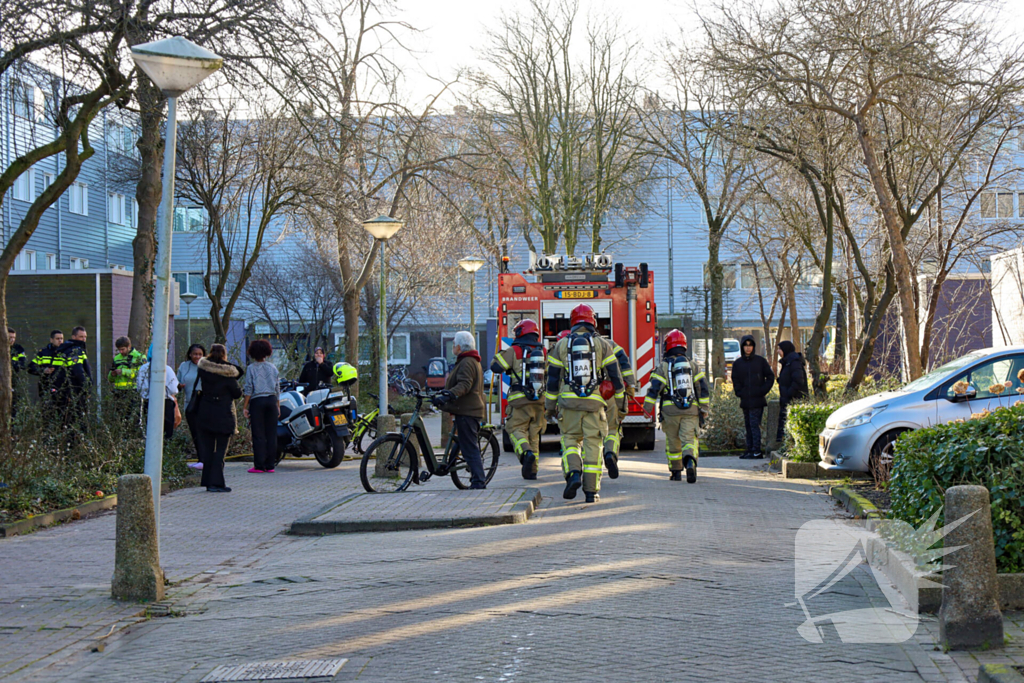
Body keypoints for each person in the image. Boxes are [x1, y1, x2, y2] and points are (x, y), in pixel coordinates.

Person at [545, 304, 624, 504]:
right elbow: (616, 377)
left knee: (570, 441)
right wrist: (621, 404)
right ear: (593, 321)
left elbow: (553, 380)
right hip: (594, 405)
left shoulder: (560, 345)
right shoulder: (603, 344)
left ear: (572, 322)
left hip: (568, 404)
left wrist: (549, 407)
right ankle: (591, 492)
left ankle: (572, 473)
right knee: (594, 445)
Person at [644, 330, 709, 482]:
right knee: (689, 440)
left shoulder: (663, 366)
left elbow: (654, 388)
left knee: (673, 441)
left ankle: (676, 472)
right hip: (691, 410)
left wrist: (647, 409)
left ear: (667, 346)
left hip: (670, 411)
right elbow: (703, 388)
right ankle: (690, 461)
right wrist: (704, 409)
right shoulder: (693, 366)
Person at [490, 319, 546, 480]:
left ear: (520, 332)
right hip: (539, 400)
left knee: (515, 429)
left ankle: (525, 453)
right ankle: (532, 471)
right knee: (534, 435)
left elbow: (496, 367)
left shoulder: (514, 350)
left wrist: (501, 354)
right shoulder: (544, 351)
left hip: (520, 400)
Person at [432, 331, 487, 489]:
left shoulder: (467, 362)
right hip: (464, 409)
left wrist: (449, 395)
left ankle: (478, 482)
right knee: (464, 442)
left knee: (470, 448)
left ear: (460, 346)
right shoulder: (466, 360)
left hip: (468, 411)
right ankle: (450, 465)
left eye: (454, 343)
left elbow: (464, 384)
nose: (453, 346)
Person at [195, 344, 243, 492]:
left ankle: (208, 482)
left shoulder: (203, 370)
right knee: (220, 449)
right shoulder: (228, 374)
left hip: (205, 413)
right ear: (224, 355)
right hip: (223, 415)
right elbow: (237, 393)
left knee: (208, 449)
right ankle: (217, 483)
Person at [731, 335, 775, 459]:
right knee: (748, 425)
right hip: (745, 399)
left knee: (755, 425)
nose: (748, 348)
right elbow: (735, 379)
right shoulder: (738, 363)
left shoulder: (760, 361)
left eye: (750, 345)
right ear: (742, 347)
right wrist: (739, 392)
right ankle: (750, 449)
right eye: (746, 345)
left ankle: (756, 450)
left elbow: (770, 377)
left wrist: (762, 391)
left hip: (758, 399)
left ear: (754, 347)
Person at [599, 334, 636, 480]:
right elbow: (624, 365)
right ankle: (610, 454)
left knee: (588, 433)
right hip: (610, 394)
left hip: (589, 397)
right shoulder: (612, 345)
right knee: (613, 429)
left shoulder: (578, 345)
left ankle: (585, 467)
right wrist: (630, 384)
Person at [243, 339, 280, 473]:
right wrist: (278, 406)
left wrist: (245, 407)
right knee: (271, 434)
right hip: (271, 400)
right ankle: (270, 465)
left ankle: (259, 465)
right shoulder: (273, 367)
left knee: (258, 434)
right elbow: (277, 388)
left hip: (257, 401)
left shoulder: (251, 368)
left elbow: (248, 388)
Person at [136, 346, 179, 441]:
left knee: (151, 430)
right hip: (166, 402)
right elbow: (174, 389)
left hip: (149, 402)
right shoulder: (167, 369)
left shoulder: (143, 369)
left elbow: (141, 388)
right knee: (167, 432)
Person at [53, 326, 92, 426]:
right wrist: (86, 388)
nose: (84, 339)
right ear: (74, 337)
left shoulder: (65, 349)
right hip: (76, 391)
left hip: (66, 390)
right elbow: (78, 371)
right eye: (81, 337)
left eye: (85, 337)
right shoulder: (75, 350)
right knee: (78, 420)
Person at [177, 344, 206, 467]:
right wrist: (179, 386)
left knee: (204, 432)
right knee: (195, 432)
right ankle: (201, 459)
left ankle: (205, 459)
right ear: (190, 354)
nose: (197, 357)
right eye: (195, 354)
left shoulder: (206, 366)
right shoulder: (184, 366)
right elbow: (176, 383)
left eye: (200, 354)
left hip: (204, 404)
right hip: (190, 404)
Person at [775, 340, 808, 443]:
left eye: (780, 349)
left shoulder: (794, 362)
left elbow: (798, 381)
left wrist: (789, 393)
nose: (778, 351)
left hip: (792, 399)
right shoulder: (788, 362)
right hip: (787, 399)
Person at [28, 330, 63, 400]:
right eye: (57, 338)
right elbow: (30, 368)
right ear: (51, 340)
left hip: (62, 389)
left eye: (61, 338)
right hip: (46, 388)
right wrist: (43, 371)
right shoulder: (43, 353)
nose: (60, 341)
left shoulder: (65, 353)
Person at [9, 328, 26, 415]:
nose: (12, 339)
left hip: (14, 381)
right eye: (10, 337)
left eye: (14, 337)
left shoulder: (18, 348)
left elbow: (23, 364)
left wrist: (11, 363)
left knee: (14, 406)